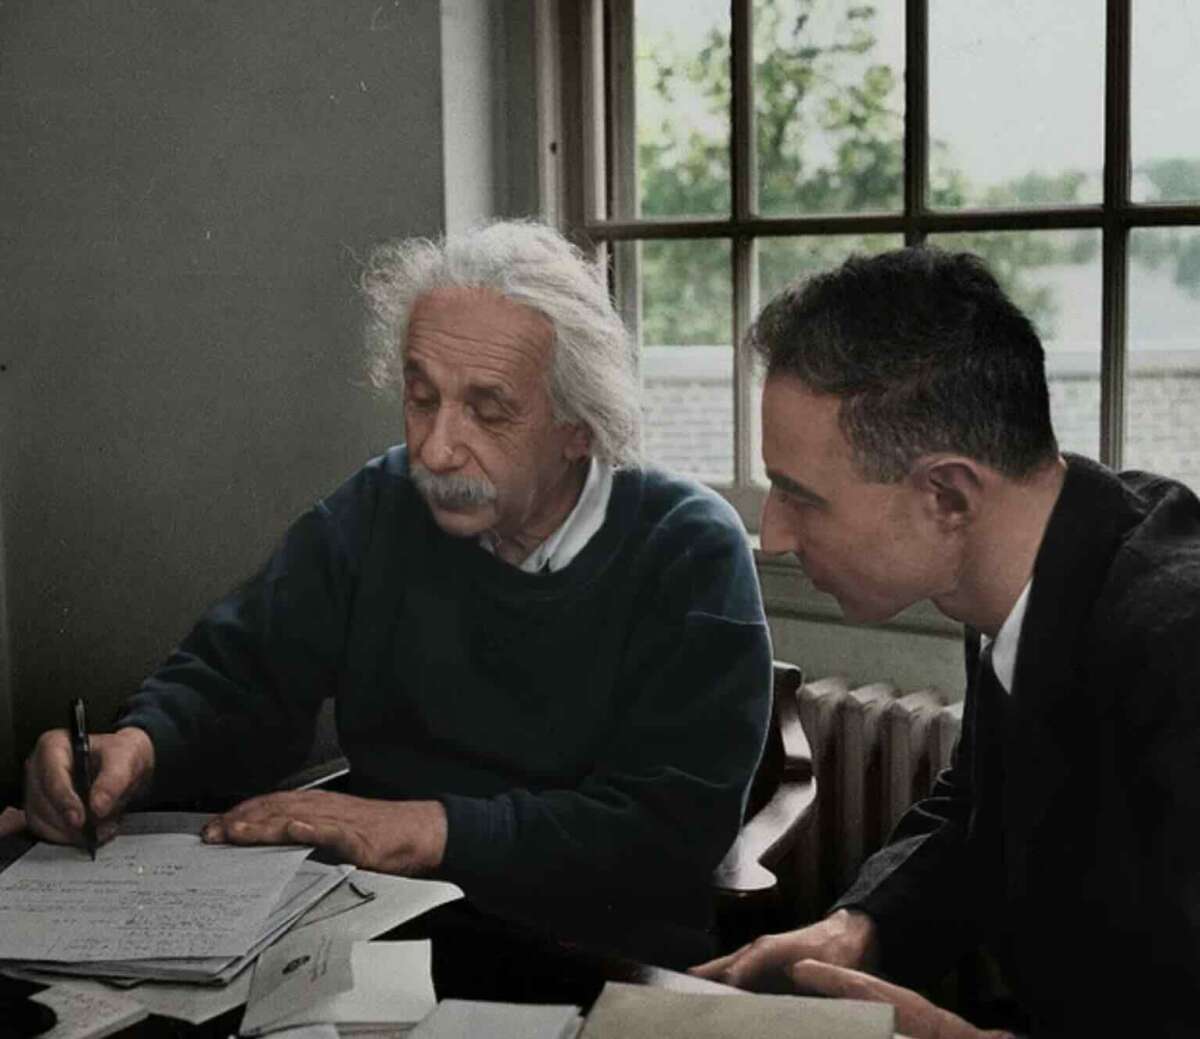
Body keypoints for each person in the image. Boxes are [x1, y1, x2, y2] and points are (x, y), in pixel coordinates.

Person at [23, 220, 772, 964]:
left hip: (599, 952)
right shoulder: (382, 503)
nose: (435, 448)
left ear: (580, 426)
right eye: (421, 398)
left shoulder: (686, 545)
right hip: (387, 934)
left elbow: (668, 829)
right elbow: (242, 672)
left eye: (488, 409)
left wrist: (425, 827)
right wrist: (141, 747)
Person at [693, 247, 1200, 1037]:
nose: (775, 536)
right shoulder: (1030, 556)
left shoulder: (1179, 640)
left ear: (949, 496)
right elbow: (981, 806)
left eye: (799, 496)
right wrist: (860, 925)